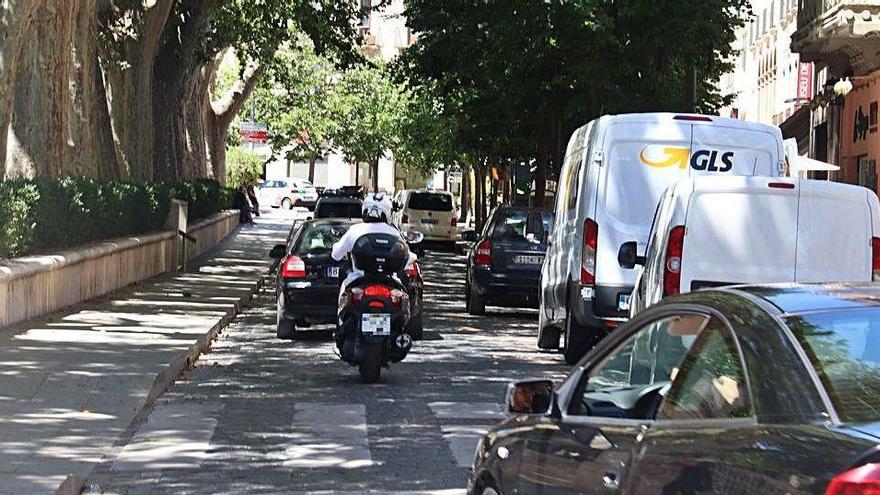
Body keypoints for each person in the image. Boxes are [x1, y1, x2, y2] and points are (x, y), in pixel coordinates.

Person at [331, 193, 416, 296]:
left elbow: (336, 255)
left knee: (344, 292)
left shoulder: (355, 230)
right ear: (387, 212)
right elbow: (408, 258)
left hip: (358, 283)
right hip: (391, 284)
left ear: (365, 210)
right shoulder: (395, 232)